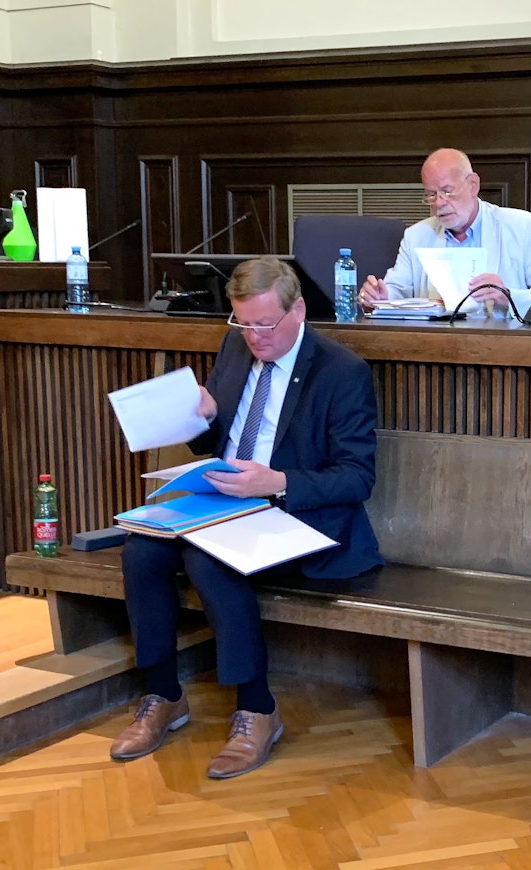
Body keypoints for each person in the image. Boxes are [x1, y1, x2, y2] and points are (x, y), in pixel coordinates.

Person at [110, 256, 383, 779]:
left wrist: (277, 481)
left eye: (265, 324)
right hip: (224, 502)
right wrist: (204, 420)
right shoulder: (236, 347)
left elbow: (357, 477)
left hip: (295, 515)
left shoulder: (342, 371)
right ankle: (163, 695)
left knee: (210, 560)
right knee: (141, 549)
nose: (254, 336)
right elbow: (217, 443)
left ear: (297, 311)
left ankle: (257, 709)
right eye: (243, 323)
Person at [358, 147, 531, 315]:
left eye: (447, 191)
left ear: (473, 185)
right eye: (431, 195)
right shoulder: (416, 235)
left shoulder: (524, 227)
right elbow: (396, 290)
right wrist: (380, 298)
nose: (439, 203)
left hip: (505, 343)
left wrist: (508, 296)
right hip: (434, 343)